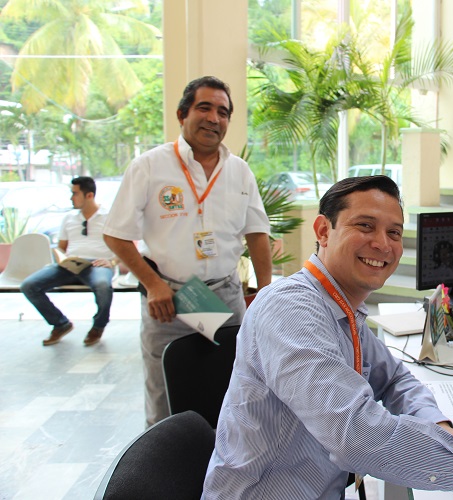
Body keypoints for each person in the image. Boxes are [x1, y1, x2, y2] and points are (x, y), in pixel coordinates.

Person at [202, 176, 453, 499]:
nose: (383, 244)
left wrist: (438, 427)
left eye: (394, 233)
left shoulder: (342, 309)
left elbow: (395, 379)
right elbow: (355, 434)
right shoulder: (290, 308)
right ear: (323, 231)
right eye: (365, 226)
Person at [103, 75, 273, 426]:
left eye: (223, 112)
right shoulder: (149, 166)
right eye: (204, 108)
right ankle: (165, 455)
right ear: (182, 114)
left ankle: (225, 454)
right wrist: (153, 284)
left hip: (225, 297)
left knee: (232, 388)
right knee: (164, 393)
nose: (214, 118)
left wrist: (265, 291)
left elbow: (257, 233)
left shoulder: (239, 171)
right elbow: (115, 234)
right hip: (169, 301)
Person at [20, 176, 116, 347]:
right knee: (29, 286)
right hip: (70, 265)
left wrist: (113, 262)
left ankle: (98, 326)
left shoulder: (109, 216)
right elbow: (61, 247)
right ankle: (60, 324)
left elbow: (125, 244)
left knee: (103, 286)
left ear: (89, 195)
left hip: (98, 264)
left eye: (75, 194)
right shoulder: (69, 218)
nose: (71, 198)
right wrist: (61, 258)